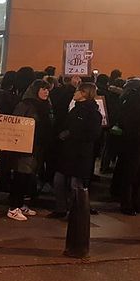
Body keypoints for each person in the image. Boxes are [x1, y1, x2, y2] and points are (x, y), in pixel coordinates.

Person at [49, 83, 102, 218]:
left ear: (84, 93)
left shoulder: (93, 113)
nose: (75, 93)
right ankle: (61, 208)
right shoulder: (74, 110)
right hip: (67, 151)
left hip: (80, 154)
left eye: (77, 91)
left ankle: (75, 213)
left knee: (75, 185)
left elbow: (93, 134)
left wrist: (71, 134)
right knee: (59, 180)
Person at [8, 80, 53, 221]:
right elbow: (16, 123)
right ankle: (13, 207)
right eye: (43, 89)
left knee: (28, 176)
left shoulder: (46, 105)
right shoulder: (25, 105)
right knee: (21, 175)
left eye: (47, 89)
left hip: (38, 146)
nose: (46, 92)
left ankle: (20, 204)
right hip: (25, 147)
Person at [114, 78, 140, 215]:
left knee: (138, 173)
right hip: (136, 140)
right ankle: (129, 203)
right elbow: (130, 119)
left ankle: (137, 202)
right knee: (132, 172)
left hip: (137, 139)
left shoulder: (135, 94)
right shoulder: (136, 96)